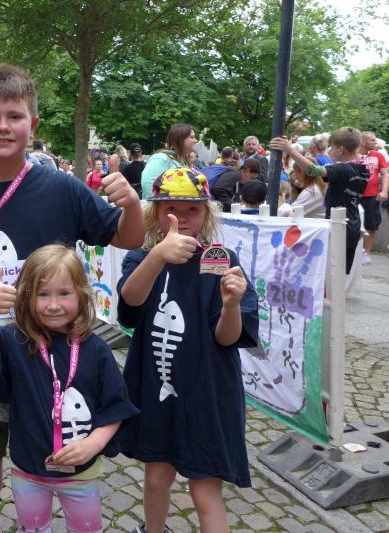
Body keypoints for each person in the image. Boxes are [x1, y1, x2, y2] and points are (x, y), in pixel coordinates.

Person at [0, 63, 144, 533]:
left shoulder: (62, 188)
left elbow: (126, 238)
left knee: (43, 463)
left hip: (49, 363)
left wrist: (131, 204)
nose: (3, 126)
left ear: (32, 124)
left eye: (14, 116)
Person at [117, 167, 259, 533]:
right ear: (156, 212)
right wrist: (157, 257)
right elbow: (130, 305)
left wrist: (231, 305)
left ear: (206, 214)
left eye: (192, 209)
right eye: (171, 209)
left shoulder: (222, 260)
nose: (181, 218)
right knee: (156, 477)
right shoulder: (142, 258)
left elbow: (227, 338)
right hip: (157, 388)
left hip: (208, 392)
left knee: (205, 491)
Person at [0, 244, 138, 533]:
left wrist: (92, 444)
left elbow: (116, 407)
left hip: (81, 472)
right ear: (26, 296)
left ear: (81, 294)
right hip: (28, 470)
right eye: (43, 294)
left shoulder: (97, 350)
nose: (53, 305)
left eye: (64, 293)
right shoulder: (15, 341)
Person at [270, 128, 368, 274]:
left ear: (341, 149)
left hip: (338, 228)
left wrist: (290, 150)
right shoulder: (363, 169)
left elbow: (313, 171)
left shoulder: (341, 169)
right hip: (353, 225)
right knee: (340, 274)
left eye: (331, 148)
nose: (329, 152)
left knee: (329, 274)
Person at [141, 124, 197, 199]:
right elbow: (148, 184)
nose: (196, 141)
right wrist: (161, 204)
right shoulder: (161, 159)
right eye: (192, 137)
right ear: (180, 140)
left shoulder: (181, 161)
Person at [356, 131, 388, 265]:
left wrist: (384, 191)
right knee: (354, 224)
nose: (376, 142)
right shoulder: (353, 154)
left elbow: (385, 174)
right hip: (354, 195)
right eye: (373, 140)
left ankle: (366, 253)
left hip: (372, 196)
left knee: (371, 225)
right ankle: (355, 251)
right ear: (363, 142)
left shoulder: (378, 155)